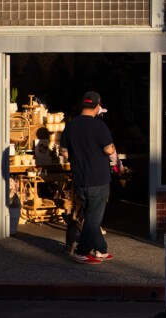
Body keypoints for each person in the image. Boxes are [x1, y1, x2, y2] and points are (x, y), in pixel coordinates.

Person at [60, 91, 120, 265]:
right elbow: (109, 150)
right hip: (98, 178)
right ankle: (81, 251)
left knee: (91, 215)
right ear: (98, 105)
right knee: (93, 219)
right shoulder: (99, 126)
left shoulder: (71, 125)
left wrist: (78, 157)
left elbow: (63, 151)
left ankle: (101, 249)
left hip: (80, 178)